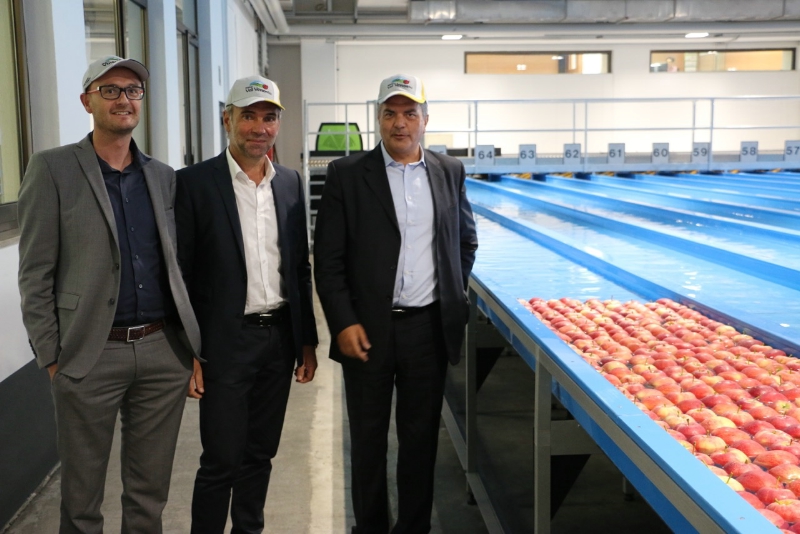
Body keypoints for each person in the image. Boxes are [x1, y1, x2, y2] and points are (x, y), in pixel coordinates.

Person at [17, 55, 202, 533]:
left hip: (161, 351)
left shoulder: (162, 176)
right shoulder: (53, 168)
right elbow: (35, 272)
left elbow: (176, 265)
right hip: (89, 354)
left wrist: (190, 348)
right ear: (87, 101)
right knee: (81, 501)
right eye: (111, 90)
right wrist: (52, 357)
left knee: (149, 497)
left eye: (133, 90)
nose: (124, 99)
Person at [314, 73, 478, 533]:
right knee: (368, 441)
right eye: (390, 113)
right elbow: (327, 260)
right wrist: (343, 321)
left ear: (425, 119)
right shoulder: (347, 174)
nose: (399, 123)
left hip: (427, 329)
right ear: (378, 118)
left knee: (420, 440)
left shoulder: (449, 171)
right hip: (366, 330)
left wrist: (451, 292)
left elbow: (465, 241)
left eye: (409, 113)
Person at [175, 75, 318, 533]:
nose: (260, 127)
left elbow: (299, 268)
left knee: (260, 454)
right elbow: (179, 275)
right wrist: (187, 352)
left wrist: (307, 341)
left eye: (269, 117)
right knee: (221, 458)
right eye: (249, 116)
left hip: (278, 339)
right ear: (227, 119)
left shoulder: (289, 183)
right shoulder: (194, 184)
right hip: (224, 343)